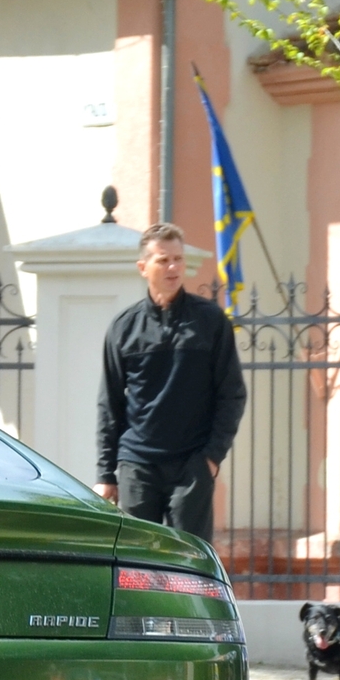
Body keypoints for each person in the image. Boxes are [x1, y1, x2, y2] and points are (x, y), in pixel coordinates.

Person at [94, 223, 247, 542]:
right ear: (143, 267)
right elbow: (110, 404)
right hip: (137, 466)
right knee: (138, 562)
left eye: (178, 259)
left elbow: (232, 394)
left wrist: (211, 458)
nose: (173, 267)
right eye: (163, 260)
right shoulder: (124, 327)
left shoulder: (210, 321)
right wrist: (106, 474)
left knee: (189, 562)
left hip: (191, 466)